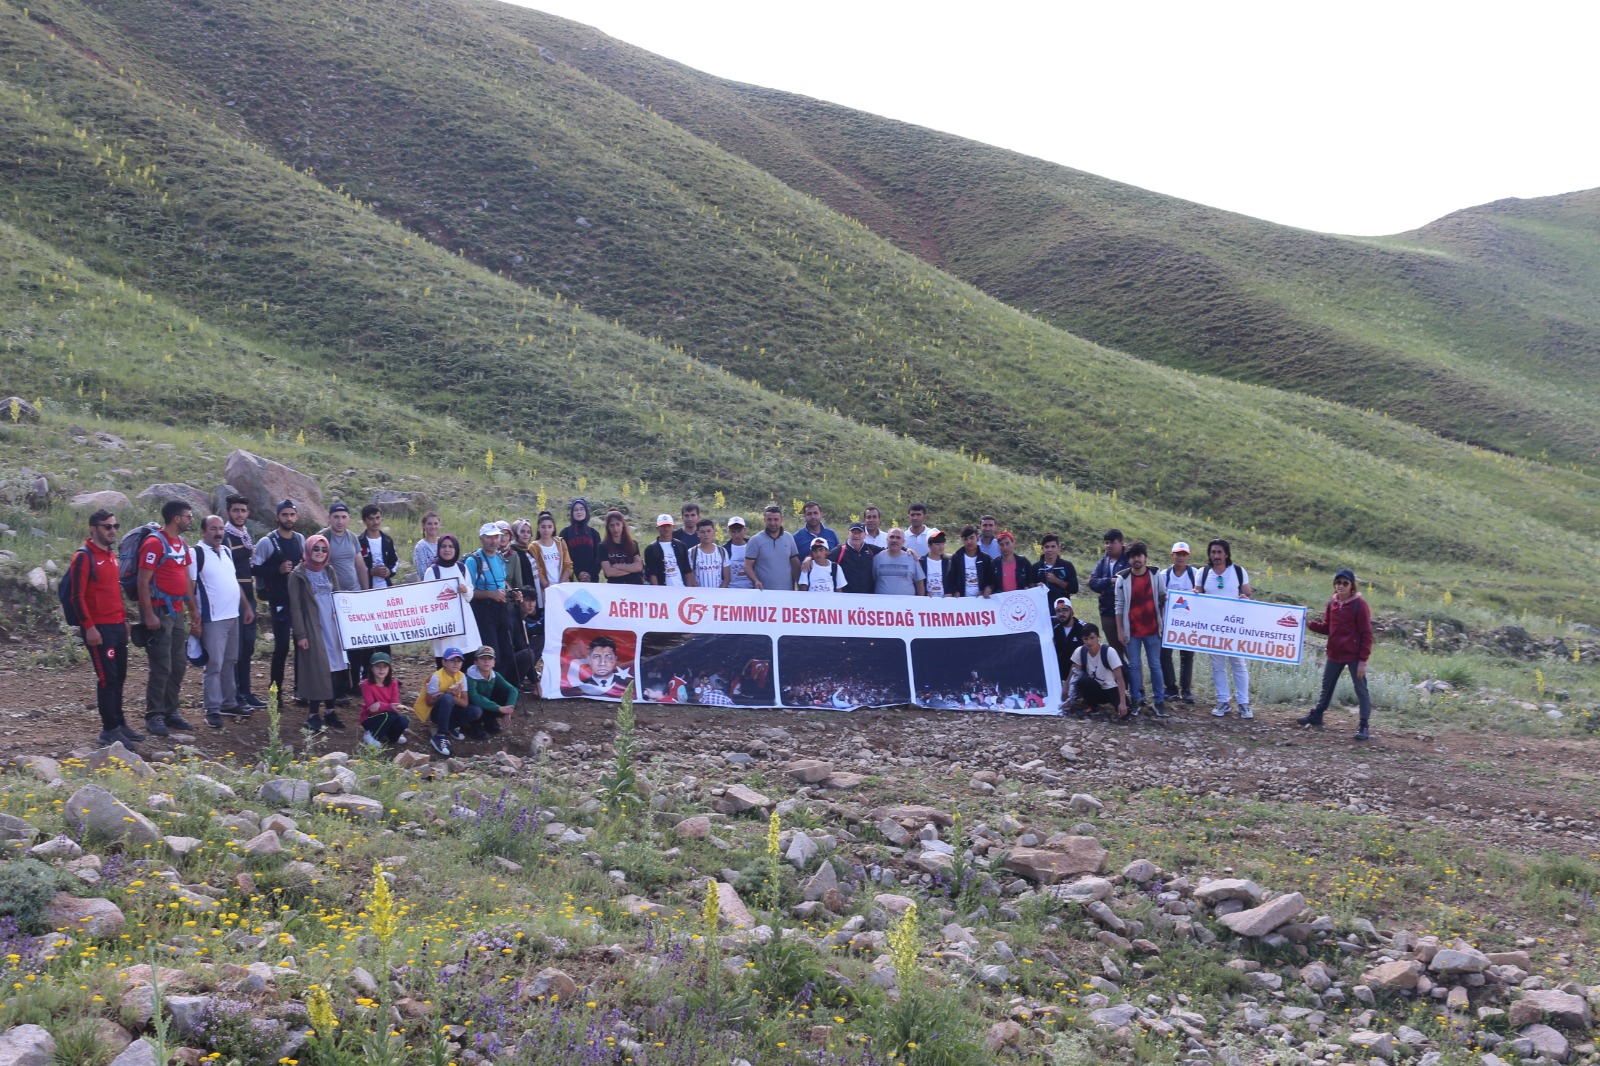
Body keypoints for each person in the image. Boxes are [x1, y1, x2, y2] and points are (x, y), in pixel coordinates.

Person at [68, 509, 142, 745]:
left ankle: (120, 724)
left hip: (117, 627)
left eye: (114, 526)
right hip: (99, 630)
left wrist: (125, 620)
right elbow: (76, 596)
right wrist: (89, 627)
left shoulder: (111, 555)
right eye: (107, 526)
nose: (112, 530)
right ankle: (109, 730)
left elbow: (113, 593)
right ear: (93, 528)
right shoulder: (84, 556)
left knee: (119, 677)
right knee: (106, 679)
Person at [137, 500, 200, 737]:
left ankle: (171, 710)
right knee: (161, 665)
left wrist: (193, 609)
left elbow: (185, 580)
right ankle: (154, 715)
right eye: (188, 516)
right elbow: (143, 581)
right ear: (176, 518)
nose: (190, 520)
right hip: (159, 611)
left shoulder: (182, 544)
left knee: (178, 664)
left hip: (176, 611)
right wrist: (149, 615)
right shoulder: (155, 544)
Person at [194, 515, 255, 729]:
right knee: (214, 665)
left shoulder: (226, 551)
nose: (218, 532)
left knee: (230, 661)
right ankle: (212, 708)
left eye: (220, 528)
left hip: (232, 616)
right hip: (213, 619)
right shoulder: (197, 553)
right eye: (213, 528)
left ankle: (229, 702)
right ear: (203, 531)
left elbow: (233, 582)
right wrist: (195, 619)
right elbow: (189, 588)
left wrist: (246, 606)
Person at [1299, 569, 1375, 739]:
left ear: (1352, 586)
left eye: (1345, 583)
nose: (1341, 586)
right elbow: (1327, 627)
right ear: (1334, 585)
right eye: (1338, 582)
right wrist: (1310, 624)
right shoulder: (1332, 603)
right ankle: (1318, 715)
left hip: (1354, 655)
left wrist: (1363, 661)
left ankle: (1364, 725)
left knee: (1361, 689)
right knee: (1327, 685)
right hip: (1334, 653)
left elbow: (1366, 634)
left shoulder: (1359, 605)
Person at [287, 534, 349, 735]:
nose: (320, 553)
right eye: (316, 549)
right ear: (308, 550)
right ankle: (313, 714)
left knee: (333, 666)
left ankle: (330, 711)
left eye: (323, 549)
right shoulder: (297, 575)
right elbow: (295, 607)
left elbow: (338, 597)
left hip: (331, 626)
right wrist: (301, 634)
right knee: (316, 668)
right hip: (313, 626)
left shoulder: (329, 571)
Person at [250, 500, 304, 700]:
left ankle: (301, 689)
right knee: (281, 647)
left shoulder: (300, 539)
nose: (288, 518)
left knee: (302, 644)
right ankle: (276, 692)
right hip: (279, 600)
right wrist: (276, 570)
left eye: (291, 515)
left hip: (299, 601)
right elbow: (253, 567)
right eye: (285, 515)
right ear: (277, 517)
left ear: (296, 517)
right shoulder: (267, 541)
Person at [1200, 538, 1254, 720]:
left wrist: (1246, 598)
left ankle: (1243, 703)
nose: (1216, 556)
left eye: (1219, 552)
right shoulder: (1203, 572)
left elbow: (1248, 593)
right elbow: (1197, 593)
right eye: (1213, 552)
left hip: (1234, 627)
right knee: (1217, 665)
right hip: (1213, 628)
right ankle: (1223, 701)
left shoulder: (1238, 571)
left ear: (1227, 554)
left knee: (1238, 663)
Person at [1114, 541, 1169, 719]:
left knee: (1155, 665)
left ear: (1145, 557)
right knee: (1134, 666)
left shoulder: (1155, 575)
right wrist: (1120, 630)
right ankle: (1136, 700)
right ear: (1128, 559)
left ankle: (1159, 702)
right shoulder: (1122, 579)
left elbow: (1163, 596)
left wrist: (1164, 623)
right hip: (1133, 631)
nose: (1136, 559)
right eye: (1132, 556)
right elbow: (1119, 606)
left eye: (1139, 555)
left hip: (1153, 629)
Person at [223, 495, 266, 711]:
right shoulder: (226, 537)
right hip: (235, 599)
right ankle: (234, 694)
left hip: (249, 597)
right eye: (235, 510)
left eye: (243, 510)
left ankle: (246, 692)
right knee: (236, 649)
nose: (240, 514)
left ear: (248, 513)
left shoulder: (245, 535)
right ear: (228, 513)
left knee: (247, 647)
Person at [466, 521, 519, 672]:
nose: (494, 541)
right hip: (484, 611)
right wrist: (490, 594)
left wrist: (512, 592)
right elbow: (468, 592)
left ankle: (504, 688)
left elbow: (502, 582)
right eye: (489, 537)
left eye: (496, 537)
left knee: (507, 650)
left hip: (501, 608)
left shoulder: (500, 558)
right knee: (491, 651)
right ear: (481, 538)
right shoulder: (473, 560)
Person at [420, 535, 481, 665]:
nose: (447, 549)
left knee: (468, 662)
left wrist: (465, 590)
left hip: (464, 623)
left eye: (450, 546)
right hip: (444, 627)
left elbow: (470, 595)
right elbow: (427, 601)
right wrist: (436, 629)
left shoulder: (462, 568)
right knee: (447, 664)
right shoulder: (432, 571)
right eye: (443, 546)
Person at [1159, 542, 1201, 705]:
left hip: (1188, 623)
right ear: (1172, 555)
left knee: (1187, 656)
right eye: (1178, 554)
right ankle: (1171, 688)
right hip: (1168, 621)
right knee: (1165, 655)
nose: (1181, 557)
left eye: (1184, 554)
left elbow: (1201, 593)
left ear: (1188, 556)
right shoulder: (1165, 575)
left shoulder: (1195, 574)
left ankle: (1186, 690)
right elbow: (1159, 596)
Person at [414, 648, 476, 756]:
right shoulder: (436, 677)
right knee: (447, 699)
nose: (456, 663)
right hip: (437, 713)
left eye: (459, 660)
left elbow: (465, 703)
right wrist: (446, 695)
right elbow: (429, 702)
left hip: (453, 708)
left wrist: (449, 694)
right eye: (452, 660)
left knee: (476, 711)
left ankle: (451, 726)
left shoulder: (461, 676)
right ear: (444, 662)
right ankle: (440, 735)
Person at [1066, 623, 1128, 719]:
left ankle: (1122, 705)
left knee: (1125, 715)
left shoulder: (1109, 652)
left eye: (1092, 638)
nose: (1089, 642)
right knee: (1082, 681)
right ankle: (1091, 706)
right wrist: (1066, 690)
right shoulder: (1080, 651)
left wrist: (1123, 703)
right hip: (1095, 688)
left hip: (1111, 689)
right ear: (1082, 640)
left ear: (1098, 637)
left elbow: (1120, 678)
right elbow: (1074, 674)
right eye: (1086, 639)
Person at [1088, 529, 1131, 658]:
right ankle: (1120, 678)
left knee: (1130, 653)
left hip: (1125, 613)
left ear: (1121, 543)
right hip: (1106, 612)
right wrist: (1111, 580)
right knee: (1115, 653)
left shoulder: (1129, 560)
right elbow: (1092, 583)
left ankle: (1135, 679)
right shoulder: (1103, 561)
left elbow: (1126, 586)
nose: (1108, 546)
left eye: (1112, 542)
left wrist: (1105, 588)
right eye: (1106, 542)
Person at [465, 645, 518, 739]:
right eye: (482, 658)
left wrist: (509, 709)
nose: (486, 661)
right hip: (472, 707)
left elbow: (513, 690)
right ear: (476, 662)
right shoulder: (470, 677)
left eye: (490, 658)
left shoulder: (494, 675)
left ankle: (489, 721)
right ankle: (475, 726)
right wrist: (499, 708)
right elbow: (475, 698)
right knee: (476, 708)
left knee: (504, 692)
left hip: (487, 705)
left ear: (494, 663)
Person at [744, 504, 800, 592]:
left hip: (787, 593)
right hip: (764, 594)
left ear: (782, 520)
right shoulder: (755, 540)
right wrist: (756, 581)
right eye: (769, 519)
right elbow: (747, 566)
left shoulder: (789, 538)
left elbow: (795, 565)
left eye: (776, 519)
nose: (773, 523)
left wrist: (800, 585)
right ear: (764, 520)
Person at [359, 652, 410, 748]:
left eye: (385, 666)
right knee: (389, 715)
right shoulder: (366, 684)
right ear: (372, 668)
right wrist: (389, 706)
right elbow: (371, 709)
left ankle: (391, 736)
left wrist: (381, 704)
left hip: (388, 715)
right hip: (370, 718)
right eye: (378, 666)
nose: (381, 669)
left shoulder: (393, 682)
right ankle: (371, 735)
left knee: (404, 720)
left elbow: (395, 705)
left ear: (389, 669)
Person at [563, 635, 632, 697]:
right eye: (596, 657)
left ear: (615, 660)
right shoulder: (580, 687)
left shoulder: (627, 686)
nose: (602, 663)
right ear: (589, 659)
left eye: (608, 657)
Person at [1051, 598, 1088, 704]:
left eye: (1065, 610)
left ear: (1072, 611)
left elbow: (1080, 660)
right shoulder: (1054, 630)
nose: (1062, 614)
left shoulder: (1083, 628)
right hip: (1061, 671)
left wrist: (1067, 683)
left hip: (1079, 670)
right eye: (1058, 611)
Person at [644, 515, 697, 587]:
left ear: (673, 527)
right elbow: (652, 574)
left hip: (681, 589)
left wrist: (689, 590)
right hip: (663, 593)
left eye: (668, 525)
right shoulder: (651, 549)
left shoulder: (681, 546)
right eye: (663, 526)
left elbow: (687, 570)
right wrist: (656, 592)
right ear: (657, 528)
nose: (666, 528)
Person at [871, 528, 926, 596]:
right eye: (892, 537)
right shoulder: (877, 558)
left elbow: (919, 583)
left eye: (898, 537)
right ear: (887, 540)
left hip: (907, 605)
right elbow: (872, 581)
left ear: (903, 542)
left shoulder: (912, 558)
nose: (894, 540)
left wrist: (920, 602)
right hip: (882, 605)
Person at [945, 526, 995, 599]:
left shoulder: (986, 559)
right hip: (962, 601)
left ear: (977, 538)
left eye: (972, 538)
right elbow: (951, 579)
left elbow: (991, 580)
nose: (969, 542)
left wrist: (987, 588)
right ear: (962, 540)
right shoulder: (956, 558)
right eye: (966, 539)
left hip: (982, 601)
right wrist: (955, 591)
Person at [1033, 534, 1079, 610]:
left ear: (1058, 548)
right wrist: (1036, 585)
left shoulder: (1067, 566)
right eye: (1047, 547)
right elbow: (1029, 586)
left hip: (1061, 611)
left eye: (1053, 546)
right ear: (1042, 548)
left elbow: (1074, 589)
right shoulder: (1036, 567)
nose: (1050, 550)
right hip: (1042, 611)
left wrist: (1056, 580)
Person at [560, 498, 600, 582]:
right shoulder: (565, 533)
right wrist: (578, 573)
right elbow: (563, 559)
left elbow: (599, 558)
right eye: (576, 510)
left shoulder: (594, 533)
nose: (579, 512)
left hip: (592, 579)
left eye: (582, 509)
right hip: (572, 578)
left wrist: (590, 574)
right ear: (572, 513)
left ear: (586, 511)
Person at [834, 523, 881, 594]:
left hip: (868, 597)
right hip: (847, 597)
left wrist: (904, 550)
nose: (856, 536)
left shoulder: (871, 549)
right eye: (853, 532)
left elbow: (889, 549)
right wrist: (810, 558)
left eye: (859, 533)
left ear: (865, 535)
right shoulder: (840, 551)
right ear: (848, 534)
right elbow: (822, 557)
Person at [690, 518, 731, 589]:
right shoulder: (691, 552)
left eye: (709, 531)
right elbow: (690, 578)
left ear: (714, 531)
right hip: (699, 595)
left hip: (718, 595)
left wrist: (719, 591)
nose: (706, 534)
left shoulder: (722, 551)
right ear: (698, 533)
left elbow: (727, 578)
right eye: (702, 532)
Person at [724, 517, 754, 590]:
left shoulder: (753, 547)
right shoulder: (724, 550)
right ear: (729, 532)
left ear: (745, 530)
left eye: (739, 531)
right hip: (731, 589)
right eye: (733, 531)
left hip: (751, 589)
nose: (737, 535)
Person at [412, 512, 442, 579]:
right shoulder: (420, 547)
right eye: (429, 524)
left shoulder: (443, 542)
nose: (433, 527)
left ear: (439, 525)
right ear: (423, 525)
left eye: (436, 523)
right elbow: (422, 574)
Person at [922, 532, 948, 597]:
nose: (941, 547)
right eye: (937, 544)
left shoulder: (948, 562)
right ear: (929, 545)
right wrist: (925, 593)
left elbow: (952, 581)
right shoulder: (921, 562)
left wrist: (949, 592)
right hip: (927, 602)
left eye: (942, 544)